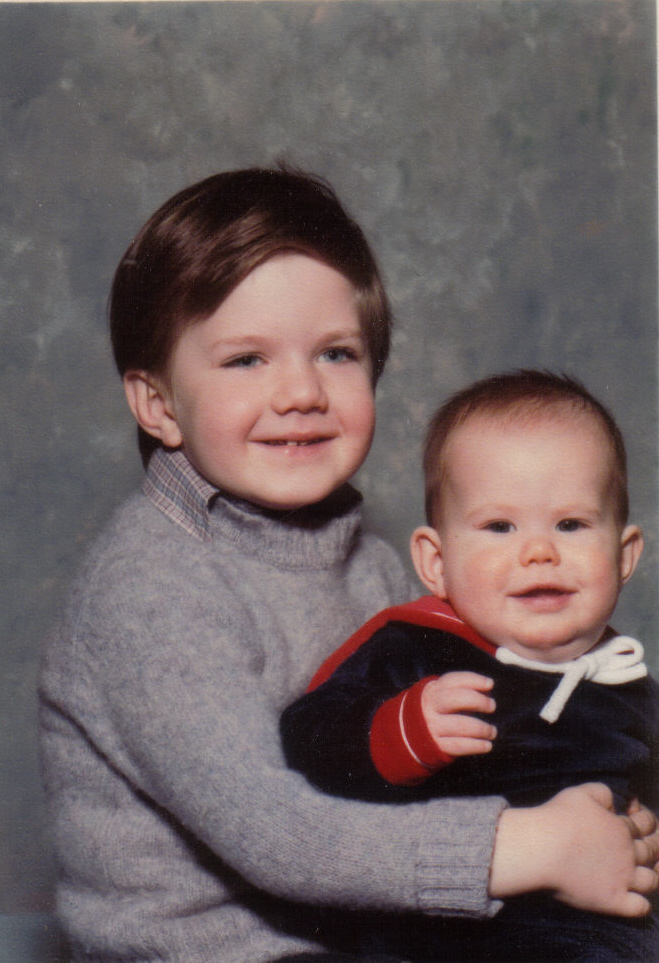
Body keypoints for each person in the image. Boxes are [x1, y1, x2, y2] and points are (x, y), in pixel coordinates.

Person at [38, 171, 658, 963]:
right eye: (246, 360)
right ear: (158, 403)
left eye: (335, 353)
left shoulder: (370, 562)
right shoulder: (149, 590)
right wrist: (532, 845)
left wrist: (606, 823)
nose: (301, 391)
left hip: (368, 936)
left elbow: (482, 742)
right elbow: (277, 835)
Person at [281, 370, 659, 962]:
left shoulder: (627, 682)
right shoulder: (416, 647)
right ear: (436, 562)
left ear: (624, 553)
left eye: (571, 524)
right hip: (430, 921)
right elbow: (307, 739)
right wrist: (406, 729)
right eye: (499, 526)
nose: (539, 551)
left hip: (588, 933)